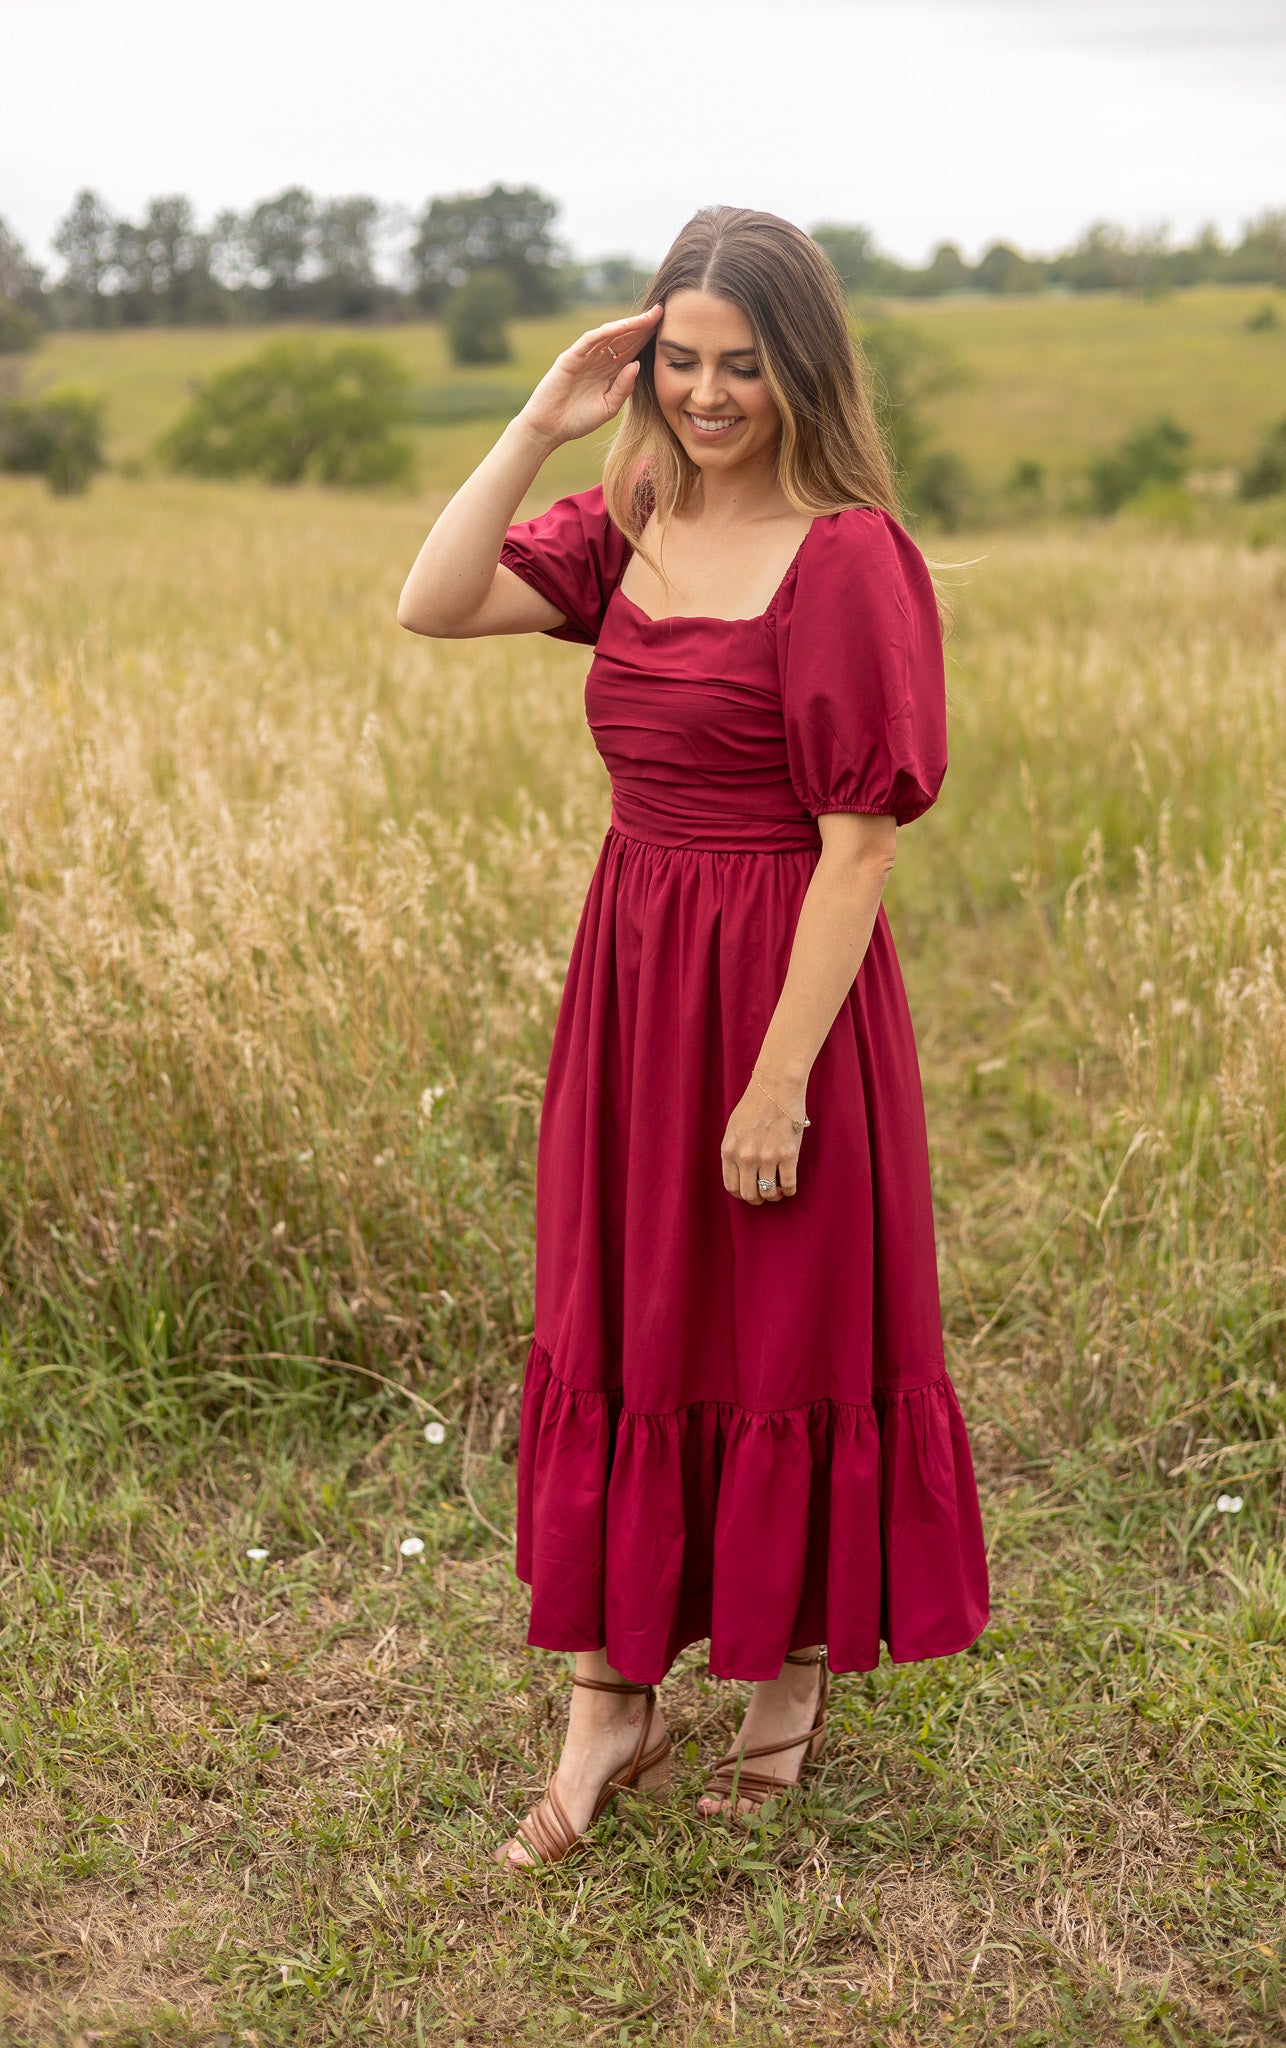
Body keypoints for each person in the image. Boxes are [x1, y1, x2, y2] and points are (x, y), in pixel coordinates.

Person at [398, 204, 989, 1870]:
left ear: (800, 367)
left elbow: (858, 842)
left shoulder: (849, 553)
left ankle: (785, 1689)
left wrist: (780, 1079)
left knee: (781, 1316)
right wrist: (540, 418)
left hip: (783, 986)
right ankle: (612, 1695)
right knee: (635, 1309)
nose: (710, 394)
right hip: (636, 973)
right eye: (681, 359)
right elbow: (432, 604)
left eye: (743, 364)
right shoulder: (634, 511)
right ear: (644, 359)